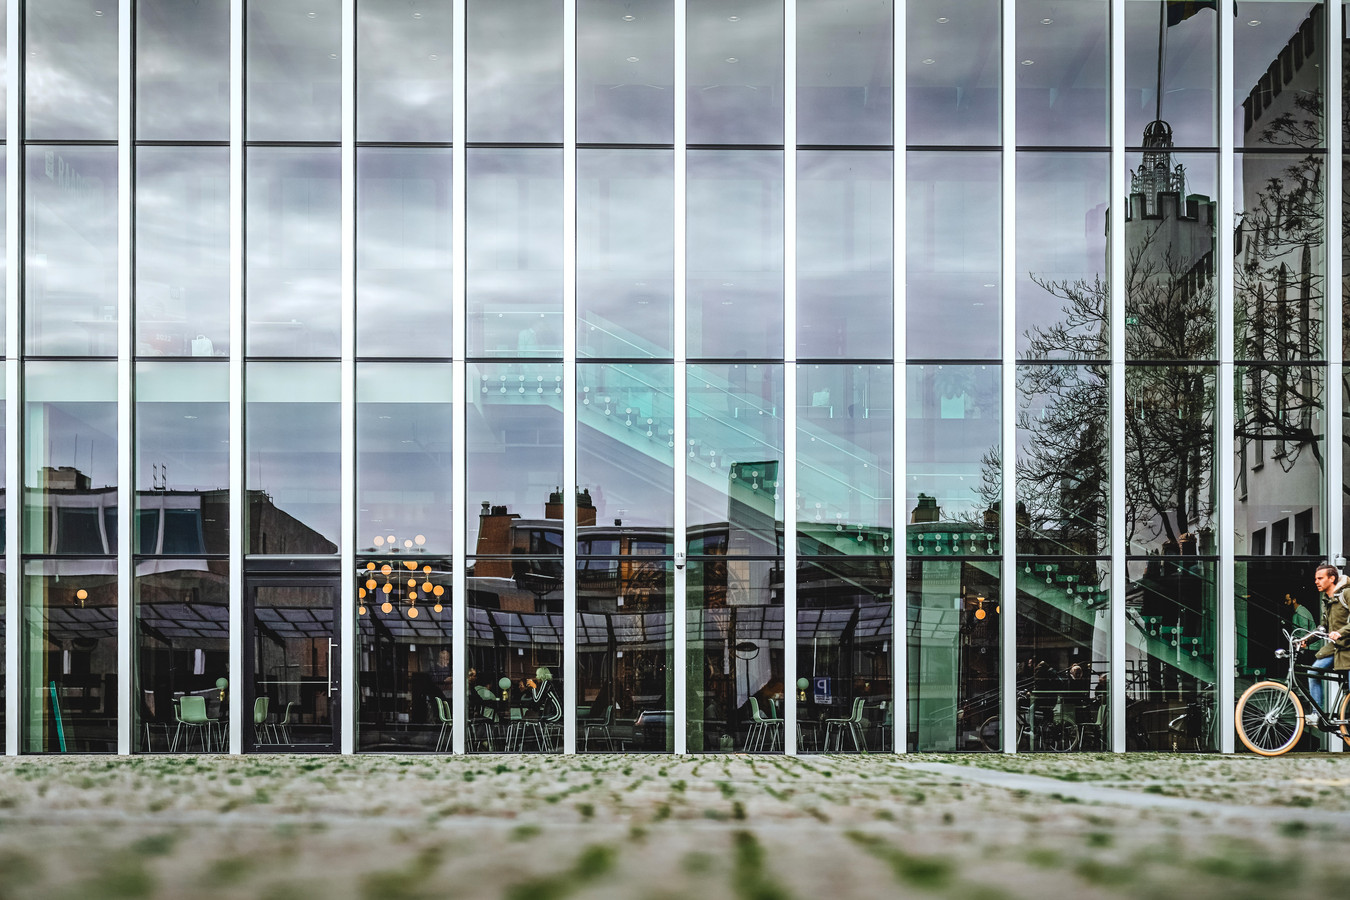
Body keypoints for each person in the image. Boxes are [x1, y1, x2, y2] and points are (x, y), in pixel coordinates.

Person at [1304, 564, 1350, 720]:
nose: (1316, 582)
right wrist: (1306, 640)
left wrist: (1340, 632)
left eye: (1320, 578)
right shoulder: (1328, 600)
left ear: (1332, 578)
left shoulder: (1347, 594)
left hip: (1348, 649)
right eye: (1316, 579)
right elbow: (1324, 627)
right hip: (1337, 649)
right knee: (1313, 671)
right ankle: (1317, 715)